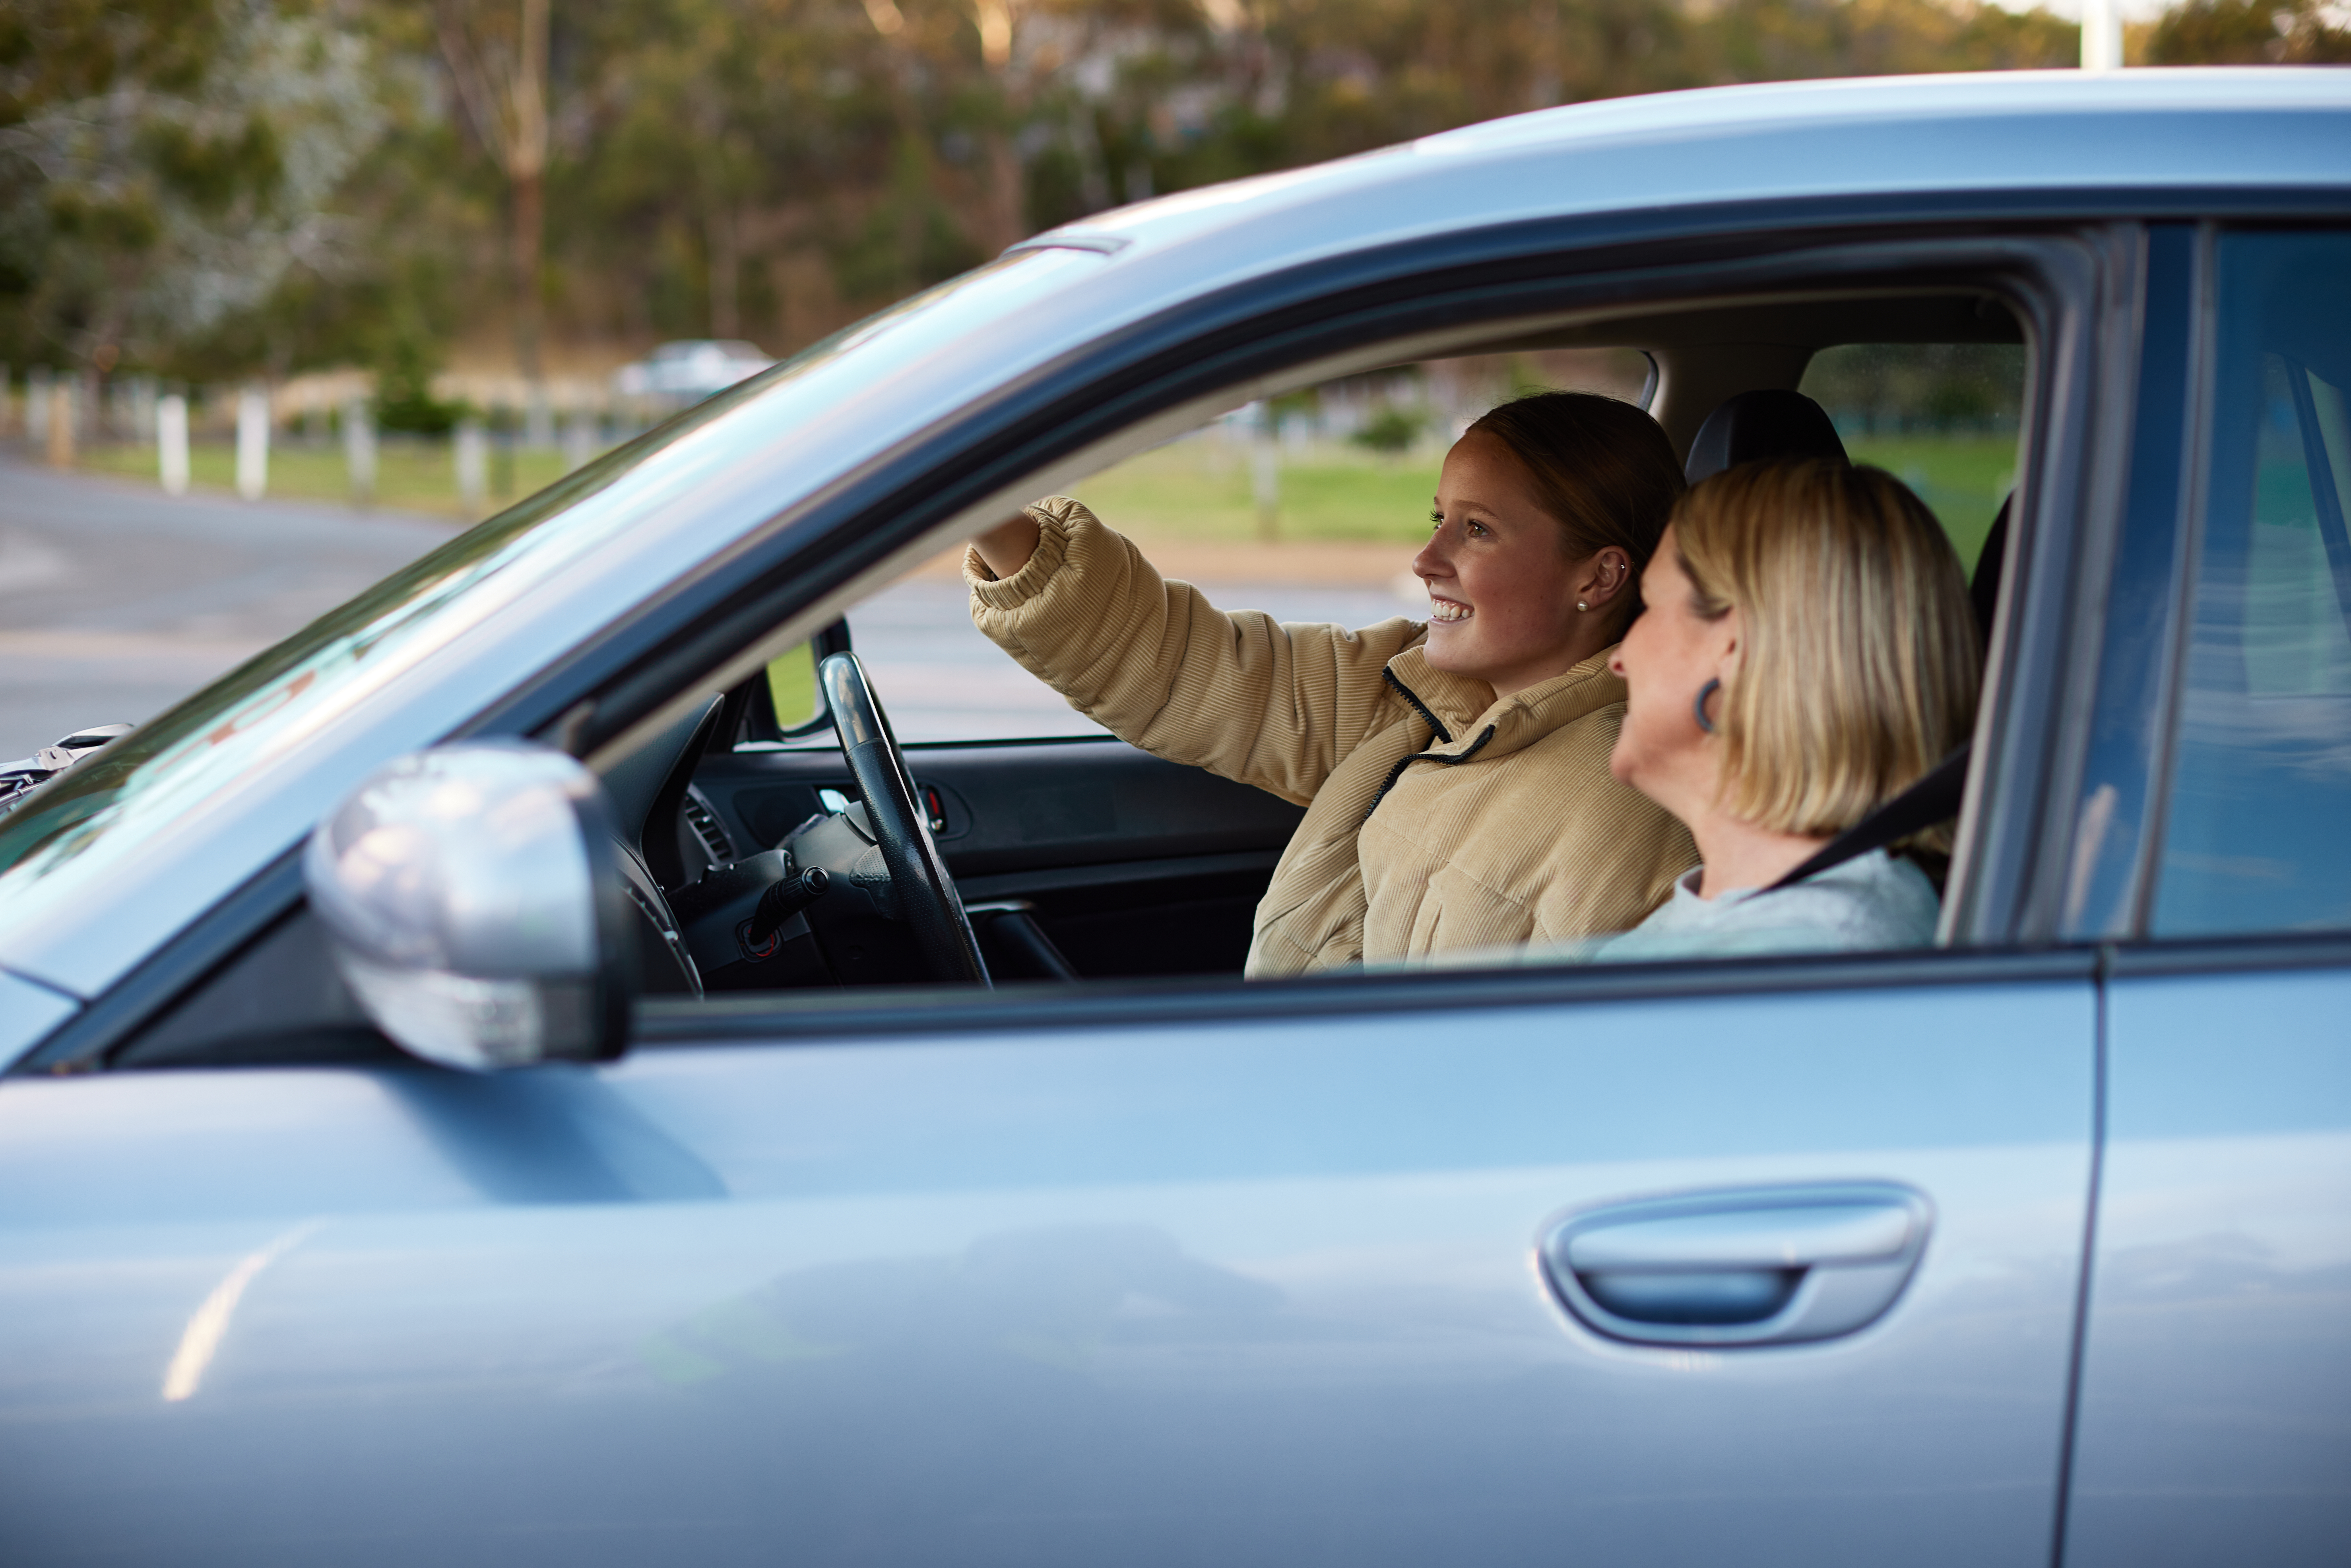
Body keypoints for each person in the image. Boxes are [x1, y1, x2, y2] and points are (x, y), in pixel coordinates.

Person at [965, 390, 1700, 977]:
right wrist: (979, 502)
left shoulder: (1633, 809)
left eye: (1476, 530)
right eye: (1439, 518)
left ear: (1598, 575)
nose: (1426, 557)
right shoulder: (1414, 694)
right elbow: (1183, 664)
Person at [1582, 457, 1982, 960]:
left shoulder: (1815, 954)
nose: (1619, 658)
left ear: (1733, 648)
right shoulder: (1779, 930)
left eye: (1650, 605)